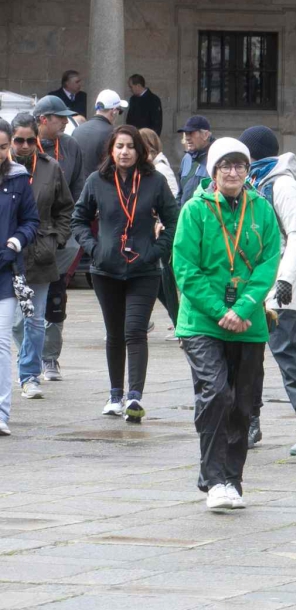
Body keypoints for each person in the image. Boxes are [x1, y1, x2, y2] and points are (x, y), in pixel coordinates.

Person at [171, 138, 280, 511]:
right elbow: (185, 268)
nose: (233, 173)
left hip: (248, 321)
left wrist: (246, 306)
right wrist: (220, 310)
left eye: (240, 166)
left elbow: (269, 262)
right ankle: (213, 478)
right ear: (214, 171)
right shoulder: (195, 210)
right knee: (216, 392)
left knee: (243, 403)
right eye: (225, 166)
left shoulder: (261, 210)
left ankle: (232, 480)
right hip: (203, 320)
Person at [71, 123, 179, 421]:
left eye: (130, 146)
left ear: (140, 151)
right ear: (111, 150)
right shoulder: (97, 180)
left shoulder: (154, 181)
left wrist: (157, 251)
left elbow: (174, 220)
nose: (124, 152)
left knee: (135, 331)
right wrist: (95, 248)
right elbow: (78, 220)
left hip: (144, 270)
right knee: (114, 333)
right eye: (119, 146)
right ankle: (115, 395)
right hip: (106, 270)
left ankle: (134, 397)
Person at [240, 126, 296, 456]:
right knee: (247, 359)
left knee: (288, 356)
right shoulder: (254, 183)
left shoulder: (282, 185)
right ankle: (249, 421)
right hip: (251, 285)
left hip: (280, 287)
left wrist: (283, 283)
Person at [7, 114, 72, 405]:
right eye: (18, 140)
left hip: (40, 252)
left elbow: (65, 208)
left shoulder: (50, 167)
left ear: (37, 139)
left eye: (29, 140)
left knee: (33, 319)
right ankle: (27, 360)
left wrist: (57, 238)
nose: (23, 145)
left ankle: (29, 376)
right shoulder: (4, 169)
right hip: (7, 253)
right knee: (15, 322)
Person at [31, 95, 84, 381]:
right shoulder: (24, 145)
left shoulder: (72, 146)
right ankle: (30, 356)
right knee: (22, 300)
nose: (65, 121)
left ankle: (50, 358)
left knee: (56, 295)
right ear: (42, 120)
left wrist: (67, 231)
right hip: (28, 233)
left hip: (61, 234)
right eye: (59, 117)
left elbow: (76, 190)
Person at [0, 118, 40, 435]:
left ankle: (1, 412)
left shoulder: (18, 178)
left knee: (1, 343)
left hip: (5, 272)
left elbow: (30, 220)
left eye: (2, 146)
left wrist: (15, 241)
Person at [139, 128, 181, 327]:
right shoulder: (151, 167)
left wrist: (159, 220)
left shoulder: (160, 168)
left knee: (164, 281)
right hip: (155, 231)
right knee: (159, 281)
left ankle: (178, 321)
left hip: (162, 232)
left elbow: (172, 198)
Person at [72, 89, 130, 185]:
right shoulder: (112, 134)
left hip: (77, 192)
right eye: (119, 111)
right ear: (114, 111)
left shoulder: (77, 130)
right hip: (101, 190)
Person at [178, 115, 215, 196]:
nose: (187, 138)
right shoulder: (186, 159)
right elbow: (180, 193)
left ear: (205, 135)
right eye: (186, 134)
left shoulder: (216, 158)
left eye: (191, 133)